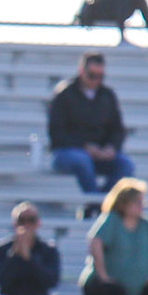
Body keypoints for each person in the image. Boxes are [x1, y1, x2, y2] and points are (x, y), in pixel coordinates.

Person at [49, 52, 137, 196]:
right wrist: (85, 147)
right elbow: (57, 134)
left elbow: (117, 130)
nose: (96, 80)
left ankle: (99, 202)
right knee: (82, 160)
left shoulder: (107, 95)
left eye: (100, 76)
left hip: (99, 154)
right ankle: (95, 202)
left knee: (126, 165)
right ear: (81, 71)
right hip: (69, 152)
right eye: (92, 75)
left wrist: (111, 148)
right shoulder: (64, 95)